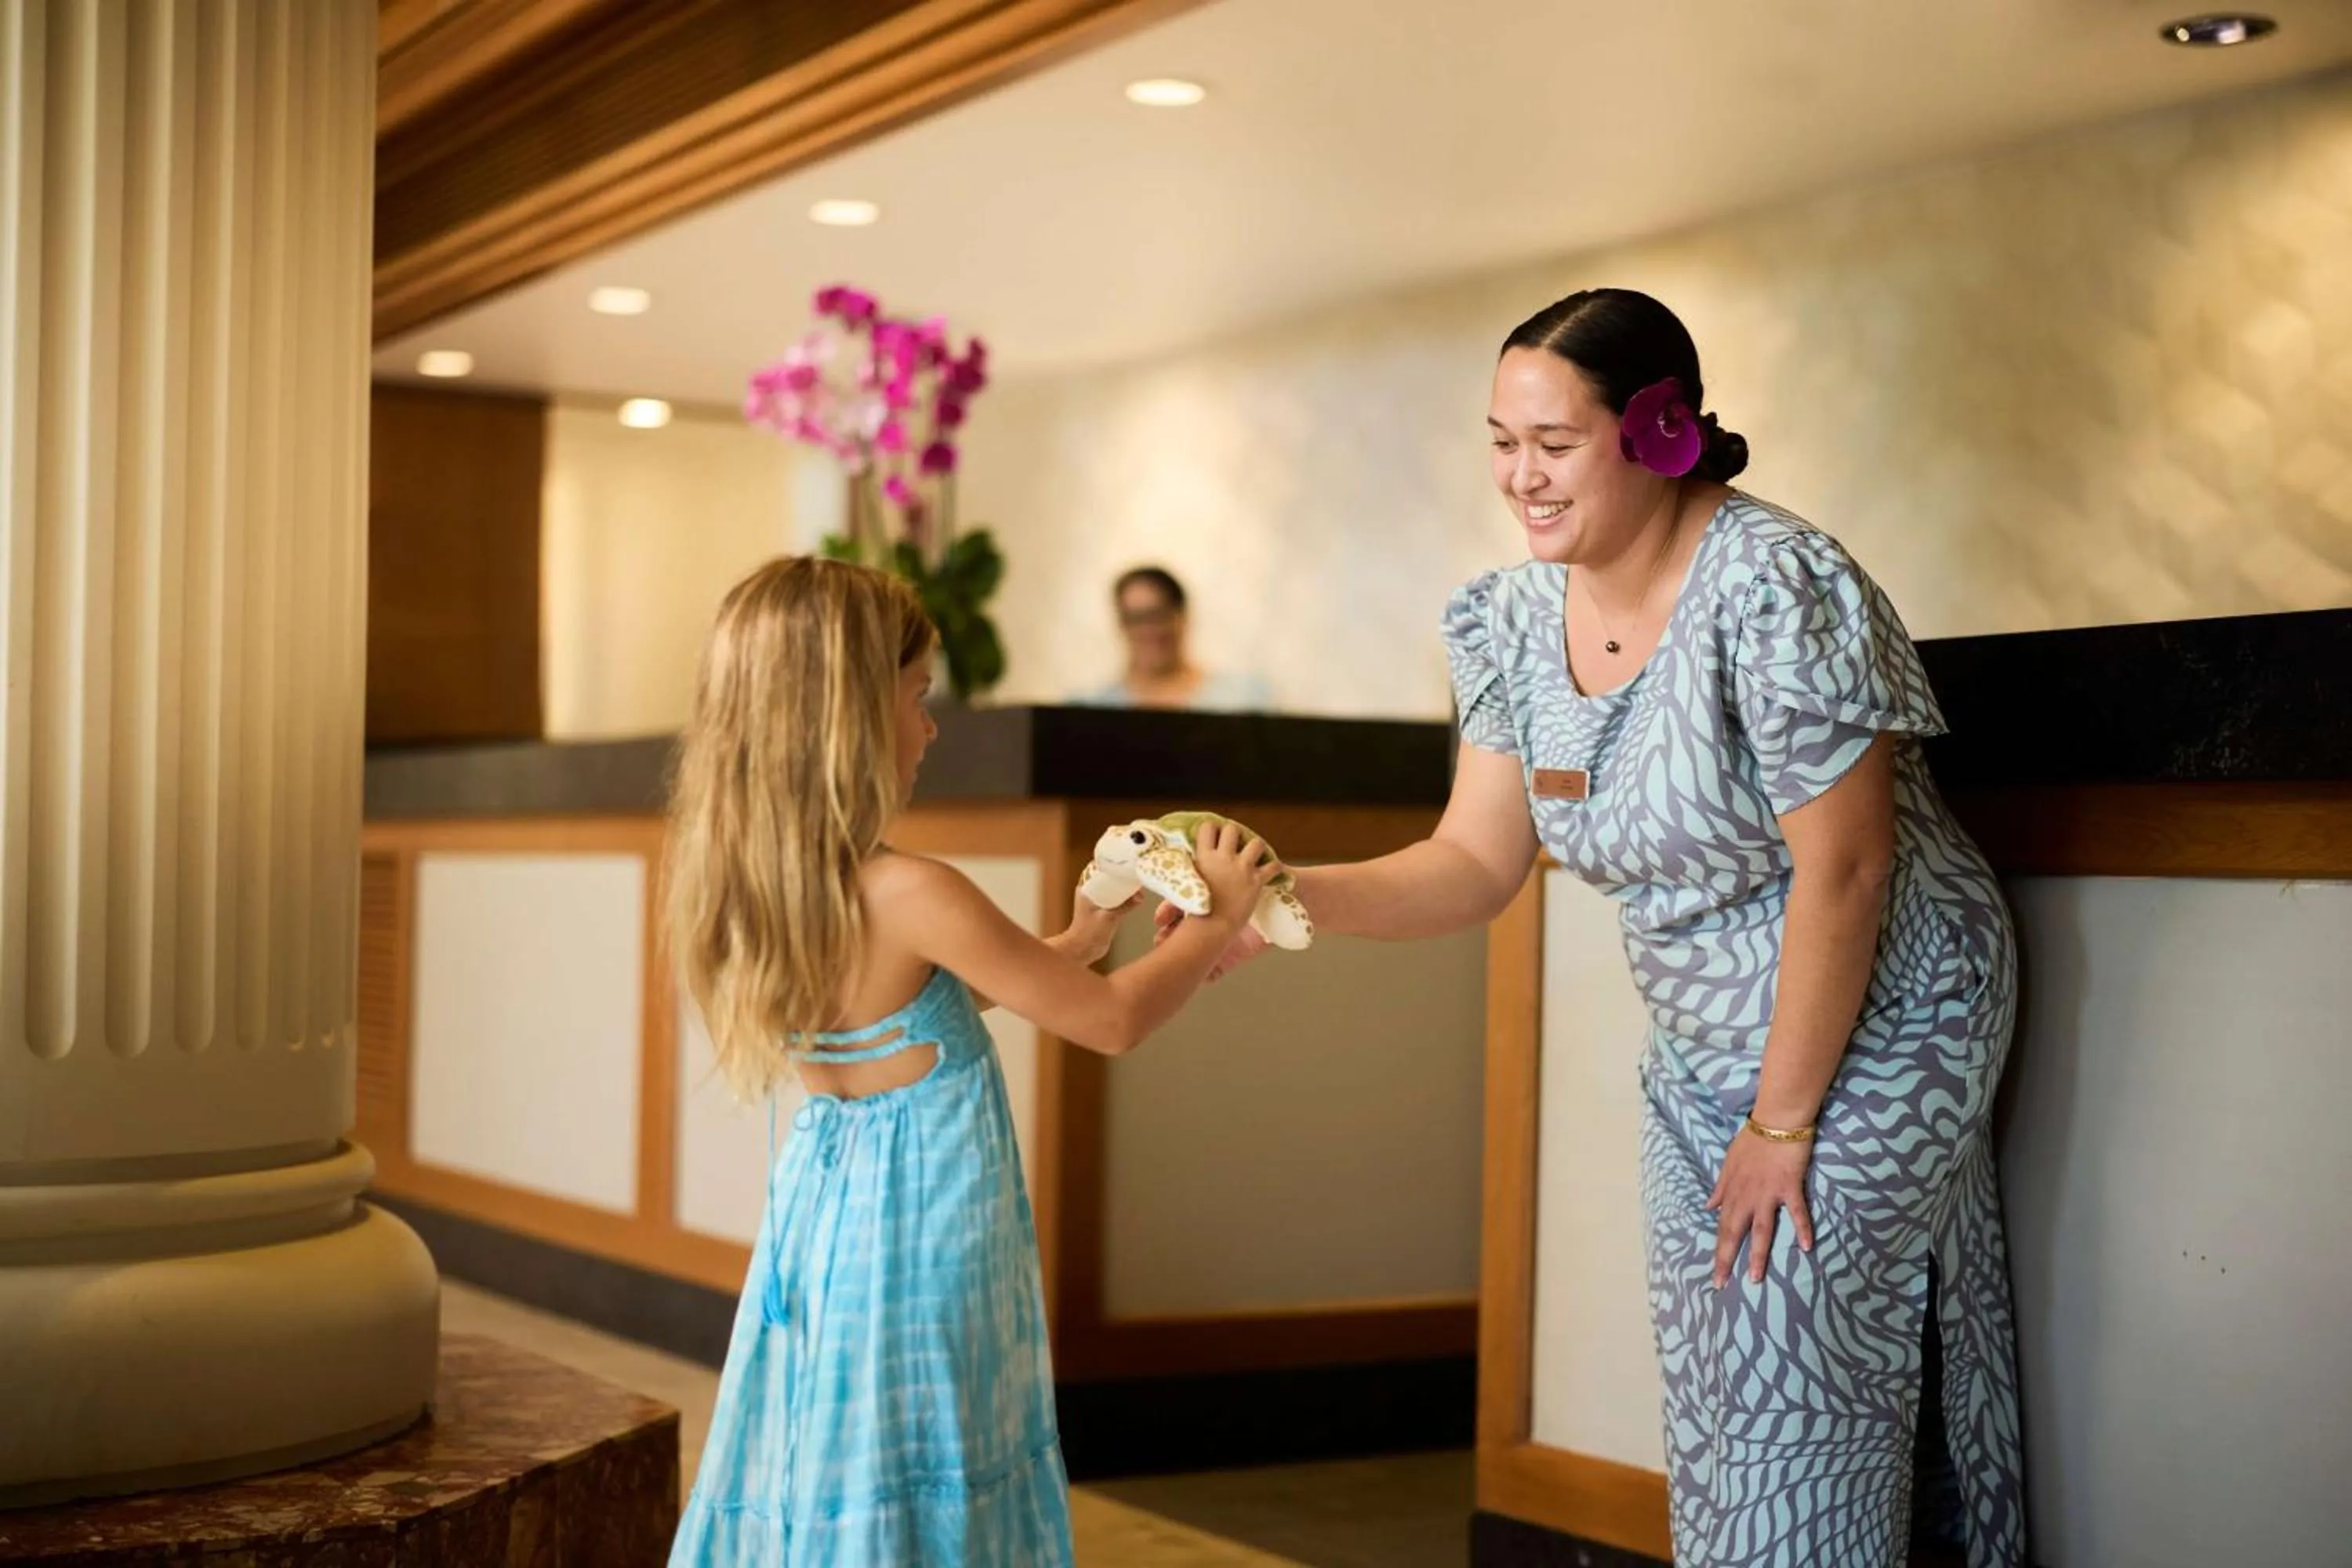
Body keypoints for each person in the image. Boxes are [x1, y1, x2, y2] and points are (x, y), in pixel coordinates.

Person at [1163, 289, 2026, 1566]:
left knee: (1795, 1368)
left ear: (1659, 430)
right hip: (1699, 1041)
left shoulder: (1778, 583)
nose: (1522, 477)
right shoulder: (1511, 623)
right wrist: (1281, 894)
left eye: (1554, 443)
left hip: (1887, 1016)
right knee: (1719, 1393)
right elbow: (1470, 862)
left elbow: (1845, 873)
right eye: (1502, 442)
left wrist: (1783, 1124)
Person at [664, 556, 1276, 1566]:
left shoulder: (759, 882)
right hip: (927, 1228)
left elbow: (907, 1011)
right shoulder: (913, 889)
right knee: (933, 1451)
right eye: (917, 697)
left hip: (827, 1226)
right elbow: (1114, 1024)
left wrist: (1076, 940)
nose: (932, 725)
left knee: (850, 1456)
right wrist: (1218, 916)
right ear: (847, 715)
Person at [1076, 564, 1272, 710]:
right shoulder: (1090, 708)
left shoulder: (1243, 699)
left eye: (1158, 615)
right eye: (1136, 618)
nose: (1148, 630)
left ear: (1182, 617)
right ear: (1121, 625)